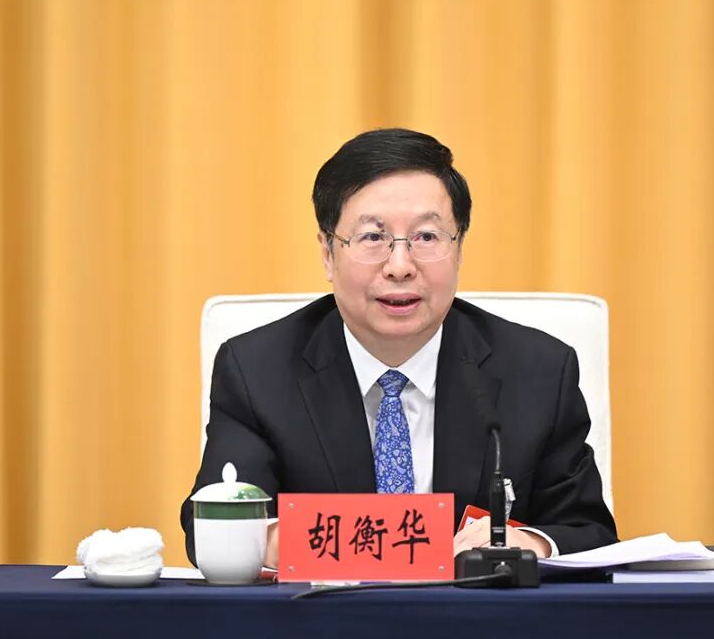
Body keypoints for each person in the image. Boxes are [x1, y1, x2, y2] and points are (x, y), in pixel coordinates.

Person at [180, 128, 616, 567]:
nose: (400, 266)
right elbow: (212, 525)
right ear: (328, 254)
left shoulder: (538, 370)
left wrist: (531, 544)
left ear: (459, 248)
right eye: (373, 238)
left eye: (427, 237)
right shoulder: (257, 370)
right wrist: (372, 547)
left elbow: (589, 531)